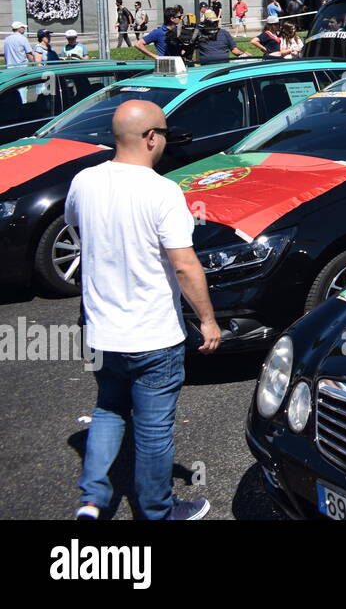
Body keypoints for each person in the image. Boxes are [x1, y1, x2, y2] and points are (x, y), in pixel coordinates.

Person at [67, 99, 220, 521]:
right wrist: (207, 320)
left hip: (101, 330)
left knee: (109, 408)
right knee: (153, 431)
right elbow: (185, 265)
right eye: (166, 133)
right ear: (151, 137)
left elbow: (80, 228)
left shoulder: (84, 181)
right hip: (153, 334)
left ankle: (91, 502)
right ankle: (157, 511)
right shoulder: (163, 191)